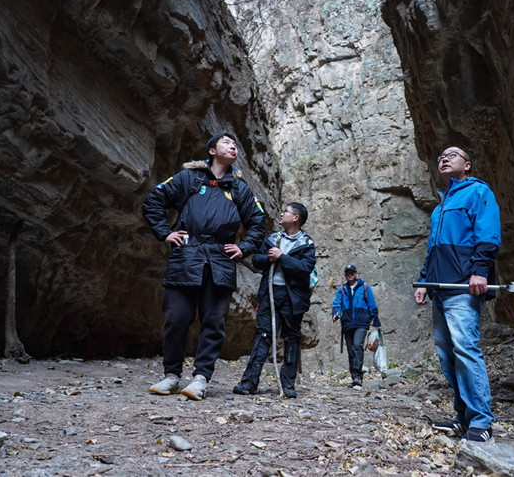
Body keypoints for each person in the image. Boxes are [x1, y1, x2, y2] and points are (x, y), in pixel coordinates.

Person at [142, 132, 266, 401]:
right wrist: (165, 233)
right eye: (226, 142)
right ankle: (172, 375)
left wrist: (244, 247)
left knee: (214, 322)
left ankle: (201, 378)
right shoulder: (188, 179)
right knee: (176, 318)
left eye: (235, 144)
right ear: (211, 150)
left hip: (221, 260)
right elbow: (153, 201)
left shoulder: (240, 189)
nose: (233, 146)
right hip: (186, 256)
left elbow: (258, 223)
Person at [413, 146, 501, 443]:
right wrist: (424, 281)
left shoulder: (478, 192)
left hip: (463, 286)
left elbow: (487, 234)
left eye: (452, 155)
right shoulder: (440, 207)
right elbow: (433, 249)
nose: (444, 158)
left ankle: (481, 421)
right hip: (440, 288)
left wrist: (480, 271)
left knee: (465, 349)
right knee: (447, 354)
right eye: (441, 157)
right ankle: (463, 418)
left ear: (468, 164)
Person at [232, 202, 316, 398]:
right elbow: (256, 261)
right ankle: (249, 382)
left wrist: (281, 257)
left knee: (291, 337)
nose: (282, 213)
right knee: (263, 335)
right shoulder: (272, 239)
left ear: (295, 218)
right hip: (269, 293)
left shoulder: (306, 244)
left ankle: (288, 384)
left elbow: (305, 268)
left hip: (293, 297)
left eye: (286, 211)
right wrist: (268, 259)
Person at [331, 265, 381, 387]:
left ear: (356, 274)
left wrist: (376, 320)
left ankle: (358, 376)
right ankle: (355, 377)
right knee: (351, 351)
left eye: (352, 273)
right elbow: (337, 304)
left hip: (361, 322)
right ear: (345, 275)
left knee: (357, 346)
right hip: (347, 323)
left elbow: (371, 303)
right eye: (347, 273)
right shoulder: (341, 290)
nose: (350, 275)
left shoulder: (365, 287)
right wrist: (336, 314)